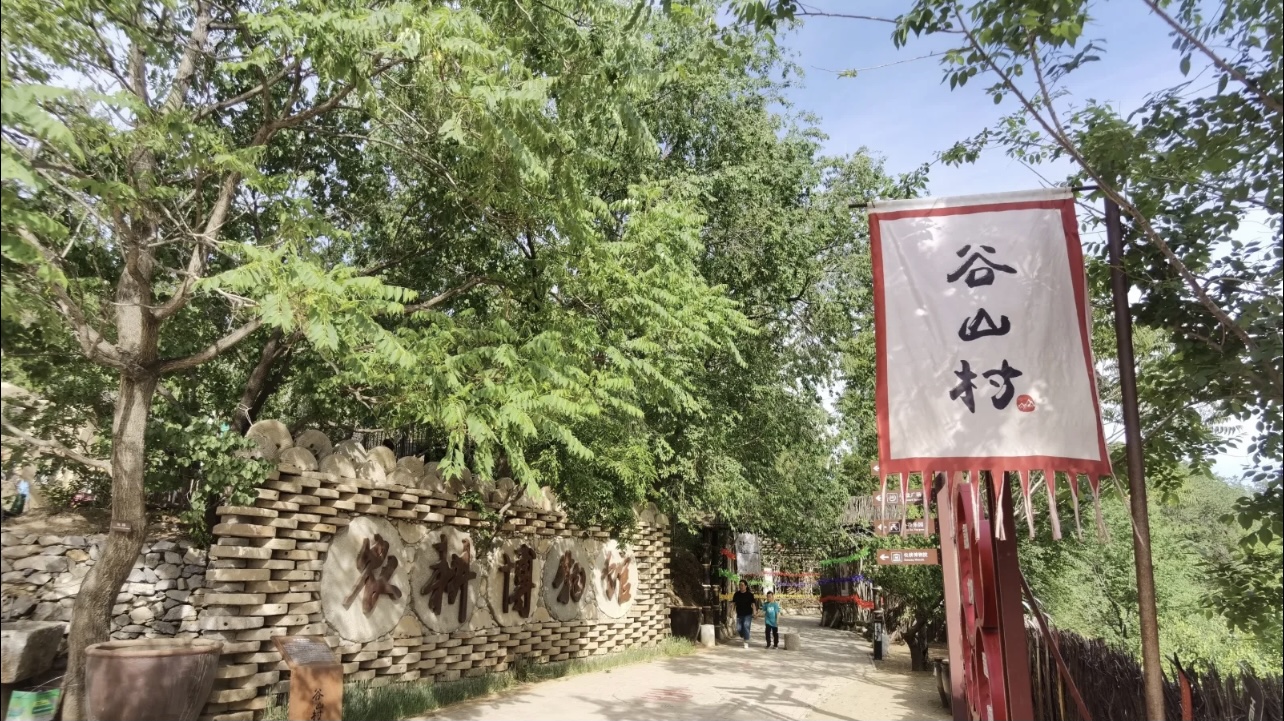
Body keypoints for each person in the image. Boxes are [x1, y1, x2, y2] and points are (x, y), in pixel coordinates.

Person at [731, 580, 757, 649]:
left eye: (742, 585)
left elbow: (753, 604)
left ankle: (746, 641)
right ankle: (744, 635)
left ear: (746, 586)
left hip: (748, 614)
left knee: (746, 626)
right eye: (740, 585)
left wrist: (754, 612)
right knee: (739, 629)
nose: (741, 586)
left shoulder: (750, 595)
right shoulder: (736, 594)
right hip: (739, 614)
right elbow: (733, 604)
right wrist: (732, 612)